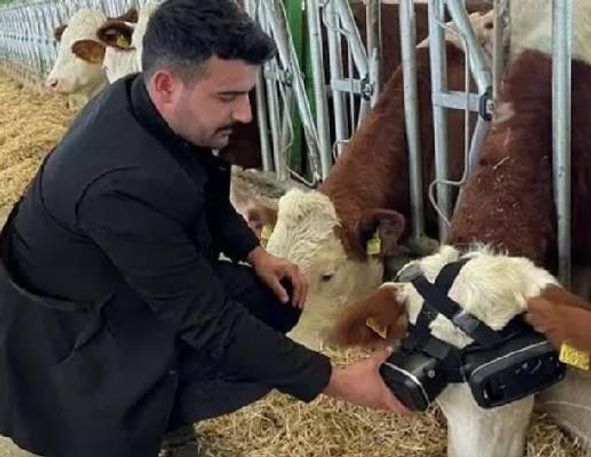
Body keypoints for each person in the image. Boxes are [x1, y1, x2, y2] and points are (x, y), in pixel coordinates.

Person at [0, 1, 406, 456]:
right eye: (228, 97)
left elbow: (209, 192)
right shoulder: (119, 187)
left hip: (121, 287)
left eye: (247, 94)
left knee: (270, 300)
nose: (246, 114)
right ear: (167, 85)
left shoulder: (149, 104)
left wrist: (256, 253)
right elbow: (208, 320)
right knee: (222, 337)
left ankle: (165, 409)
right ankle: (137, 421)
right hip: (70, 339)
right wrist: (338, 380)